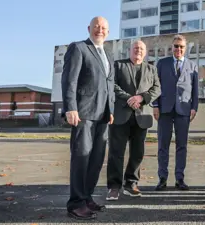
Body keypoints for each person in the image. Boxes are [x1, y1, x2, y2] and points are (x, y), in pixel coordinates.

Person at [61, 16, 115, 220]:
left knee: (96, 159)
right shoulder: (78, 48)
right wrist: (70, 107)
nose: (100, 30)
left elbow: (109, 84)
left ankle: (86, 197)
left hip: (102, 115)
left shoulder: (108, 54)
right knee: (81, 157)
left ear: (108, 32)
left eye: (103, 28)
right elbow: (69, 80)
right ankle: (75, 203)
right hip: (83, 113)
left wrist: (111, 110)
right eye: (96, 27)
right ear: (89, 28)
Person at [106, 40, 161, 200]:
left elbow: (157, 89)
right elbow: (112, 85)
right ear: (130, 50)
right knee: (116, 153)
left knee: (137, 153)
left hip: (141, 116)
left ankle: (131, 184)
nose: (138, 50)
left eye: (141, 49)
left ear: (145, 52)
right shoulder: (118, 65)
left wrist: (141, 98)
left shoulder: (151, 69)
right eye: (136, 48)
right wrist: (129, 98)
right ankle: (114, 187)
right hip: (121, 116)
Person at [152, 34, 198, 191]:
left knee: (182, 146)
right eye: (176, 46)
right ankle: (162, 178)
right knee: (163, 145)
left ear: (185, 48)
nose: (178, 49)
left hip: (183, 110)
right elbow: (155, 86)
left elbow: (195, 90)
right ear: (172, 47)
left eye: (181, 46)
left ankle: (180, 178)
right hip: (164, 109)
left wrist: (194, 107)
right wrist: (155, 105)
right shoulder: (162, 63)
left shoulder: (192, 65)